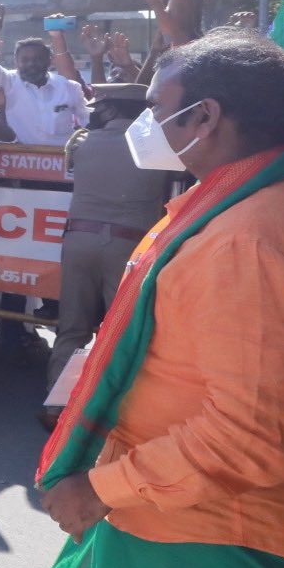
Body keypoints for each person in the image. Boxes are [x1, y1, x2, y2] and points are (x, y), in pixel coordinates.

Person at [22, 26, 284, 568]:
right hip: (206, 529)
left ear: (208, 119)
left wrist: (98, 488)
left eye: (159, 107)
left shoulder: (248, 237)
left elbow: (246, 437)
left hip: (208, 542)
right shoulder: (282, 187)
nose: (145, 125)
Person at [41, 83, 174, 422]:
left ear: (110, 110)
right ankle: (111, 411)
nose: (92, 113)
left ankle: (59, 406)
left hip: (79, 242)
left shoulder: (84, 143)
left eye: (98, 107)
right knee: (123, 329)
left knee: (72, 326)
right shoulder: (158, 147)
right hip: (129, 247)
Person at [0, 4, 88, 145]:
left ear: (49, 61)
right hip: (18, 161)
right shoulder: (8, 82)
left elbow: (87, 122)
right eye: (25, 60)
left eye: (38, 59)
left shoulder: (69, 87)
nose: (31, 64)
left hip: (60, 163)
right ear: (16, 62)